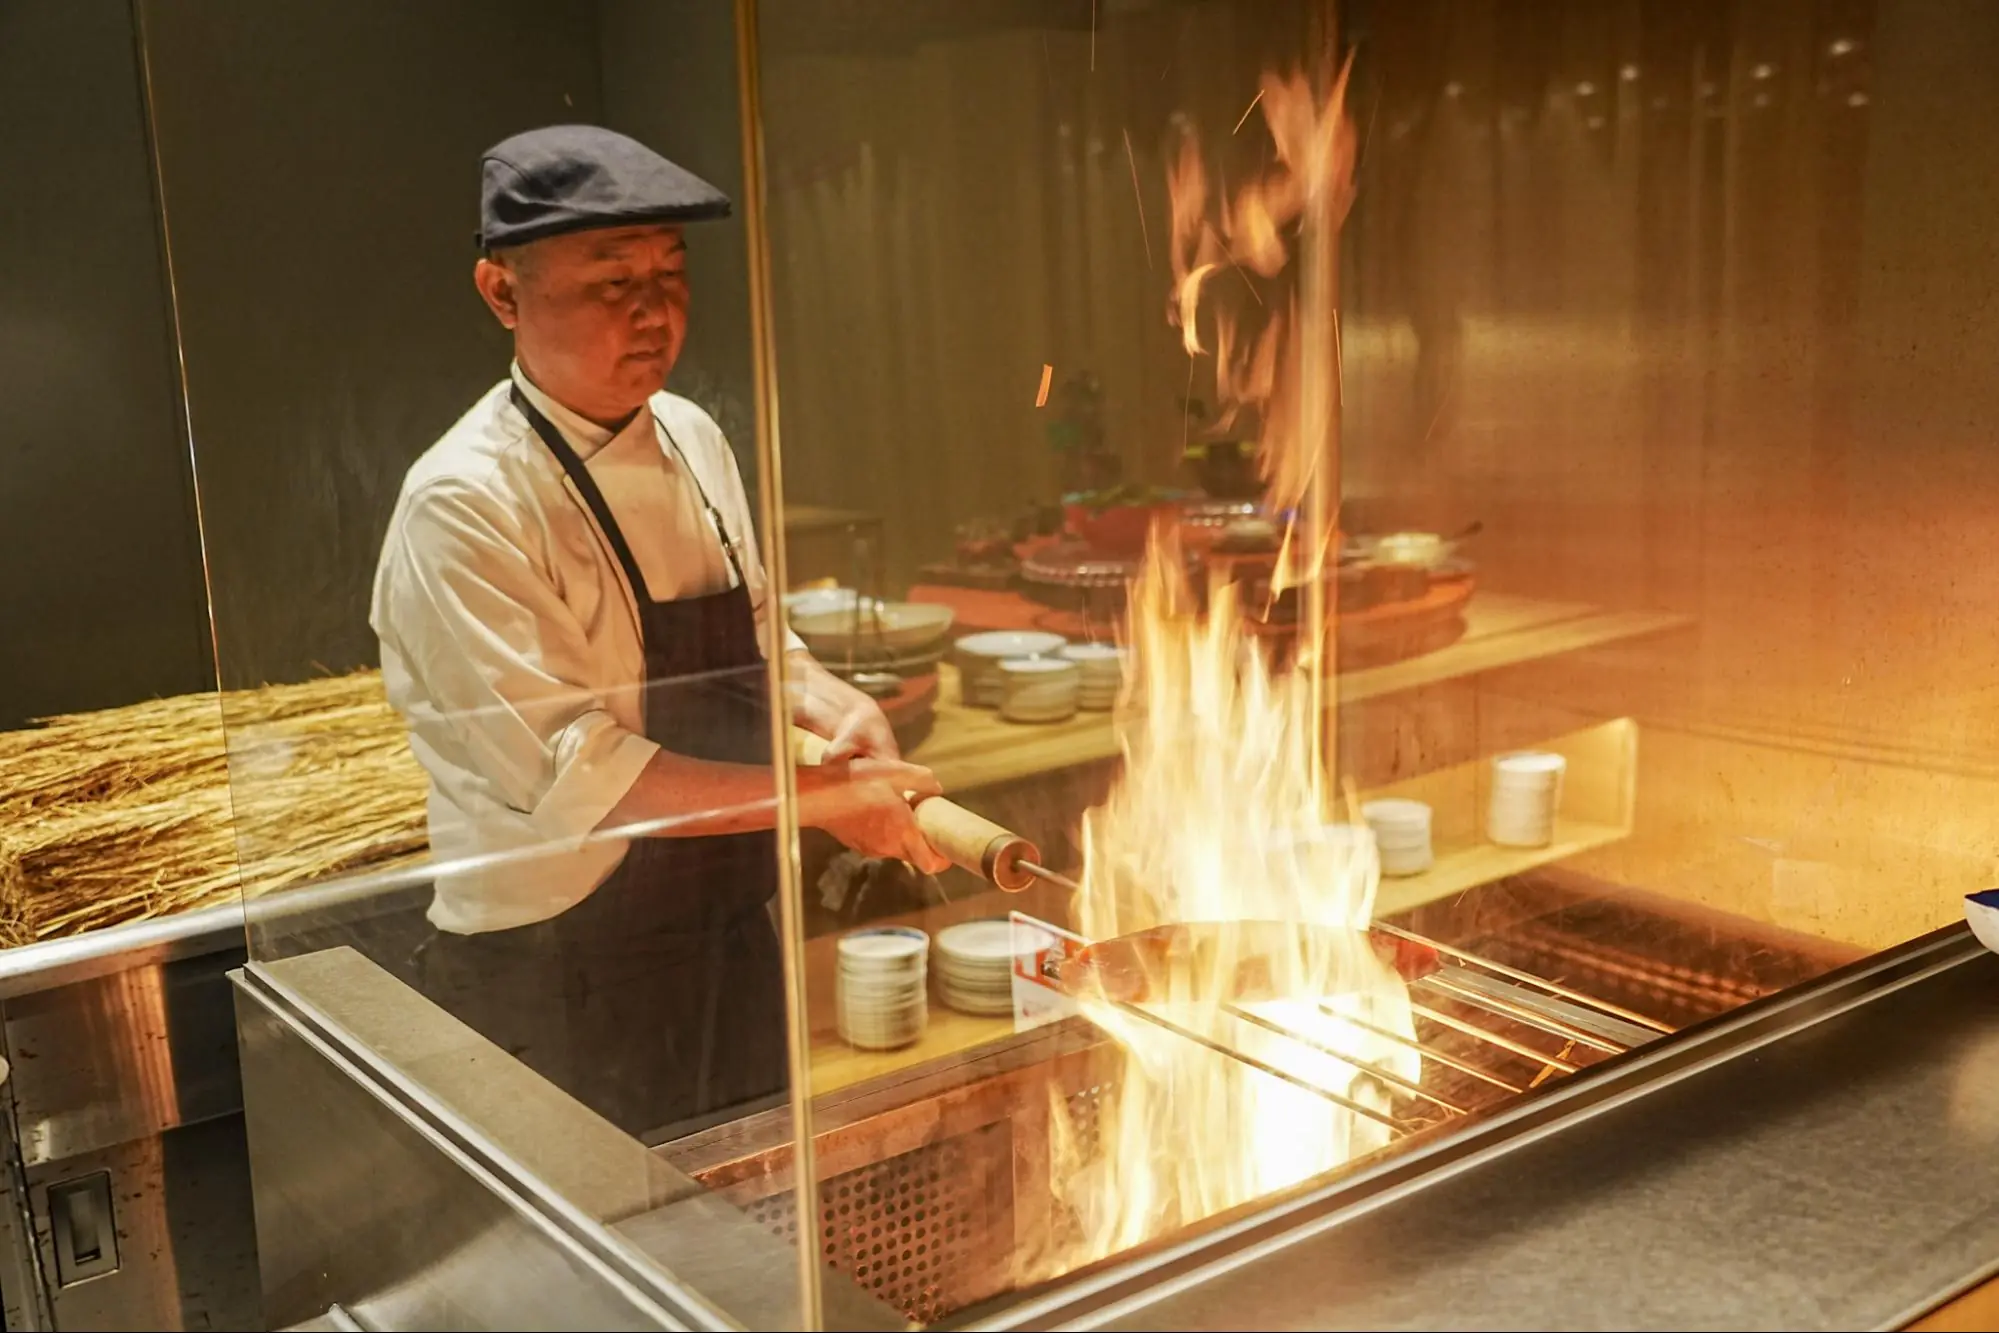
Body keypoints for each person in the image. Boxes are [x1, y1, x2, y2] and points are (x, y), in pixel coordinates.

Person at [371, 124, 947, 1142]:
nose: (653, 312)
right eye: (610, 282)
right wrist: (824, 797)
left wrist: (832, 701)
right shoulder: (461, 502)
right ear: (502, 292)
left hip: (722, 936)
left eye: (671, 274)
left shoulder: (691, 432)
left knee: (750, 1240)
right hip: (555, 969)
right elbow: (585, 782)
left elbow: (760, 641)